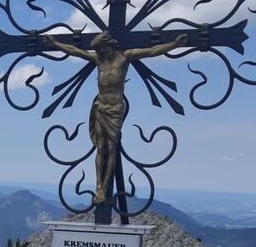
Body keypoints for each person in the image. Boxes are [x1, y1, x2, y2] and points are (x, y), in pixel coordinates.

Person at [45, 30, 187, 203]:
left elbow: (151, 51)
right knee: (100, 148)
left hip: (115, 109)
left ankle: (105, 186)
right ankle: (99, 187)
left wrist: (174, 44)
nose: (101, 53)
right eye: (99, 51)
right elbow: (75, 51)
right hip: (100, 107)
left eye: (103, 49)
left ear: (109, 45)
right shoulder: (99, 60)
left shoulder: (124, 57)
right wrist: (55, 44)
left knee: (110, 147)